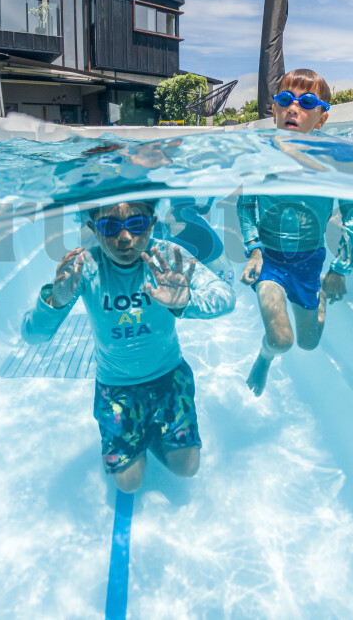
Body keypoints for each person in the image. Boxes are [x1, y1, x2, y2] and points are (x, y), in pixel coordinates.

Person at [22, 200, 235, 493]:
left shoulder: (167, 257)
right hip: (116, 388)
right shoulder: (86, 267)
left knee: (187, 468)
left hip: (169, 377)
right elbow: (33, 336)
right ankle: (140, 434)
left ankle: (145, 432)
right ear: (93, 229)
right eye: (110, 227)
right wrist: (55, 302)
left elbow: (225, 296)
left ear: (152, 222)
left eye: (136, 224)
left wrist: (187, 302)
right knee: (128, 484)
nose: (125, 238)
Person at [238, 69, 353, 397]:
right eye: (285, 100)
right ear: (275, 109)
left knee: (309, 343)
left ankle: (318, 296)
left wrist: (339, 270)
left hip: (310, 260)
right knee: (281, 339)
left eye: (307, 102)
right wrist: (253, 248)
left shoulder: (337, 156)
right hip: (269, 258)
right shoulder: (259, 154)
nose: (293, 108)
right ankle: (265, 358)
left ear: (321, 119)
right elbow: (245, 204)